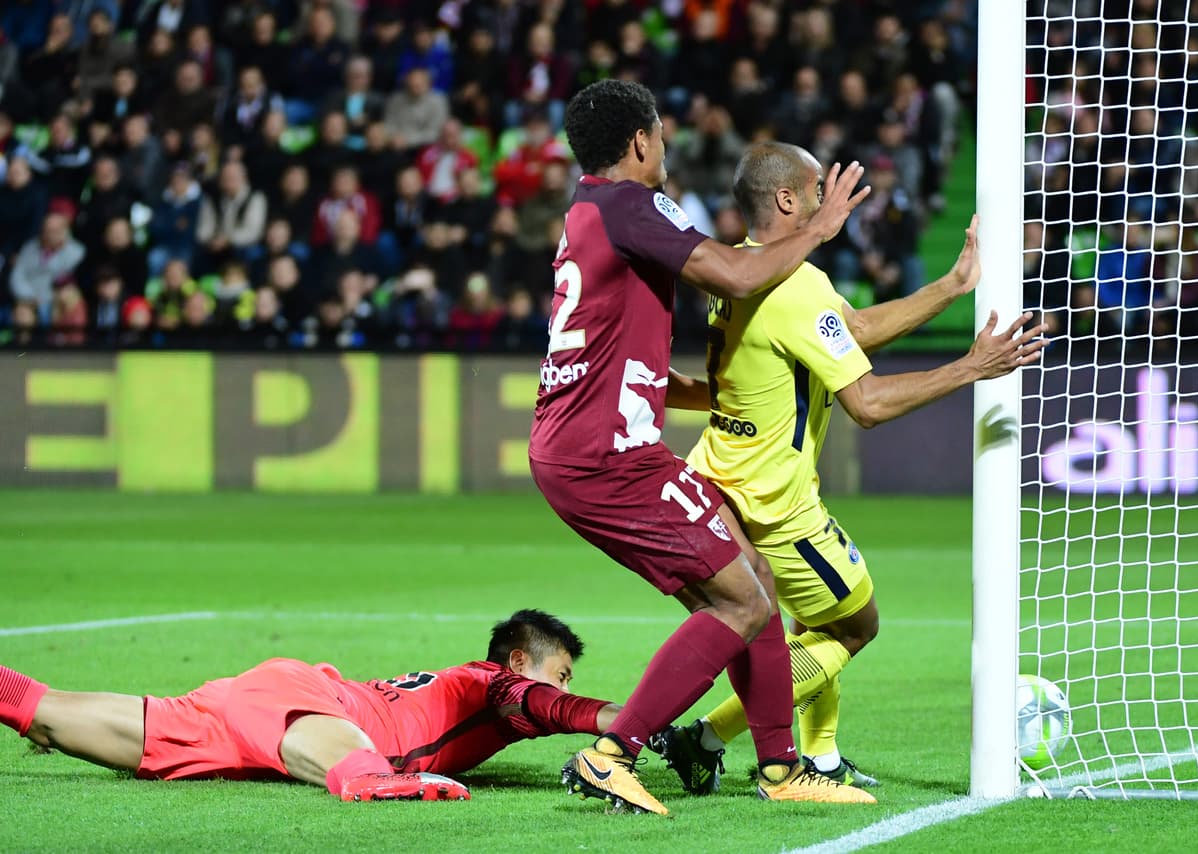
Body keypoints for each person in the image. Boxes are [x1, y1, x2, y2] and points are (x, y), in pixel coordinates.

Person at [653, 142, 1048, 795]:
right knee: (854, 626)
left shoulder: (745, 272)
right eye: (815, 190)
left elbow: (853, 329)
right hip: (775, 505)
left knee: (809, 623)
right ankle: (704, 738)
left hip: (721, 485)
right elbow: (866, 403)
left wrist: (949, 288)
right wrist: (971, 368)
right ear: (787, 200)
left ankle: (823, 756)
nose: (823, 202)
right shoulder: (798, 285)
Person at [527, 79, 873, 817]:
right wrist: (820, 227)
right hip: (610, 456)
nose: (668, 145)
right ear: (641, 142)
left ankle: (782, 768)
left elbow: (623, 355)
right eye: (661, 132)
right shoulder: (630, 204)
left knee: (750, 586)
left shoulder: (588, 210)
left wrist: (723, 393)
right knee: (744, 599)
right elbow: (742, 272)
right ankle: (613, 752)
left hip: (588, 446)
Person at [0, 610, 620, 802]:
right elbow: (553, 708)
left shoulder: (482, 692)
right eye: (560, 674)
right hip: (309, 704)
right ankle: (367, 779)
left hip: (251, 717)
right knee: (359, 758)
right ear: (518, 661)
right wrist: (637, 723)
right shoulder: (492, 684)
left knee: (48, 714)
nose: (560, 689)